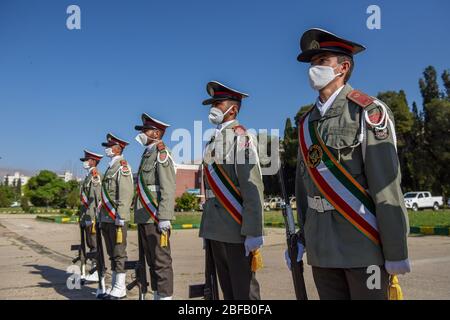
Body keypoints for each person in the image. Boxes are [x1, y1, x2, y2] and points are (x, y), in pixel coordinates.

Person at [287, 28, 410, 300]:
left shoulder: (368, 111)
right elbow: (304, 188)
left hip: (362, 244)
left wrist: (395, 251)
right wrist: (303, 238)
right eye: (312, 63)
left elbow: (386, 186)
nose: (313, 68)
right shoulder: (306, 124)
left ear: (343, 67)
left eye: (321, 61)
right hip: (321, 249)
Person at [199, 80, 264, 300]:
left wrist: (254, 230)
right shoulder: (211, 141)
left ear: (232, 109)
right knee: (226, 290)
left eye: (218, 103)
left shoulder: (241, 137)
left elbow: (251, 185)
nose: (213, 109)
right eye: (213, 104)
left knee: (243, 291)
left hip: (236, 228)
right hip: (215, 227)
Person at [133, 113, 176, 300]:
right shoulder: (147, 154)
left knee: (161, 260)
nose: (142, 133)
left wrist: (165, 216)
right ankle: (157, 294)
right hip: (144, 216)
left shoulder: (161, 153)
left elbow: (168, 185)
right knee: (151, 260)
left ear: (156, 133)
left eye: (145, 130)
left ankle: (165, 296)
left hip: (155, 215)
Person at [99, 133, 134, 300]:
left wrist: (121, 215)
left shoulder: (122, 166)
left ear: (117, 148)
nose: (106, 149)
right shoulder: (110, 167)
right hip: (106, 217)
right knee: (112, 253)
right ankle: (114, 286)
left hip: (116, 217)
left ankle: (120, 287)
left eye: (108, 146)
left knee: (119, 253)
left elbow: (126, 193)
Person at [78, 149, 103, 283]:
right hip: (86, 216)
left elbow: (96, 198)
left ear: (93, 161)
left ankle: (96, 270)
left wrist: (92, 217)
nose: (85, 162)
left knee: (94, 244)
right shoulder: (88, 176)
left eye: (86, 160)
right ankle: (94, 270)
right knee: (90, 243)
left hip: (92, 216)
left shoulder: (95, 176)